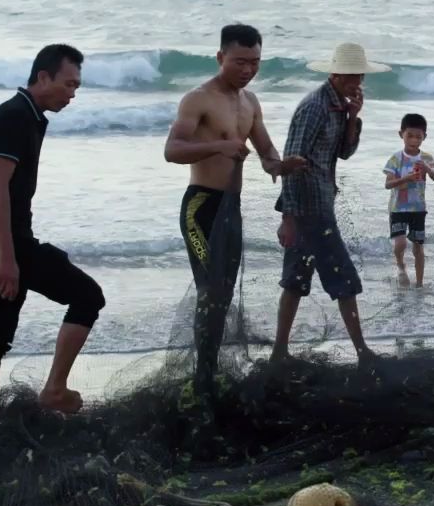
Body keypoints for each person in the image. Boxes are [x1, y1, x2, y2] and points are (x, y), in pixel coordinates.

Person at [0, 44, 105, 438]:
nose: (72, 94)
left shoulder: (29, 115)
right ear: (42, 77)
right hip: (5, 242)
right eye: (68, 84)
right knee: (87, 296)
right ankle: (54, 388)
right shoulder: (14, 117)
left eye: (77, 86)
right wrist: (7, 260)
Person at [163, 24, 306, 397]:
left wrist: (282, 165)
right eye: (240, 61)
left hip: (232, 209)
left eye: (255, 62)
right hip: (200, 207)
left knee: (223, 295)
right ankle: (203, 378)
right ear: (220, 57)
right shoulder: (198, 99)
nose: (248, 69)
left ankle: (207, 371)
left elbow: (267, 156)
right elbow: (172, 150)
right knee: (210, 291)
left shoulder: (251, 103)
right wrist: (216, 148)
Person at [272, 42, 389, 371]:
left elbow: (345, 153)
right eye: (352, 76)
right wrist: (288, 218)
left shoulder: (340, 105)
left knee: (295, 280)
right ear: (335, 74)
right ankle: (363, 352)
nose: (358, 82)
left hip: (322, 200)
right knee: (344, 277)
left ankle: (279, 353)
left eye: (361, 76)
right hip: (310, 206)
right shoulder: (315, 106)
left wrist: (353, 117)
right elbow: (290, 163)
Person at [384, 113, 434, 286]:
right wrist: (406, 179)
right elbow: (388, 184)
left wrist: (428, 169)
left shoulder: (427, 158)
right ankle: (401, 266)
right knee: (400, 243)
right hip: (398, 208)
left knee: (418, 247)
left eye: (418, 137)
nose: (414, 140)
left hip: (418, 209)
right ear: (401, 134)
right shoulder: (395, 159)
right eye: (410, 136)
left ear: (424, 137)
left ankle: (420, 284)